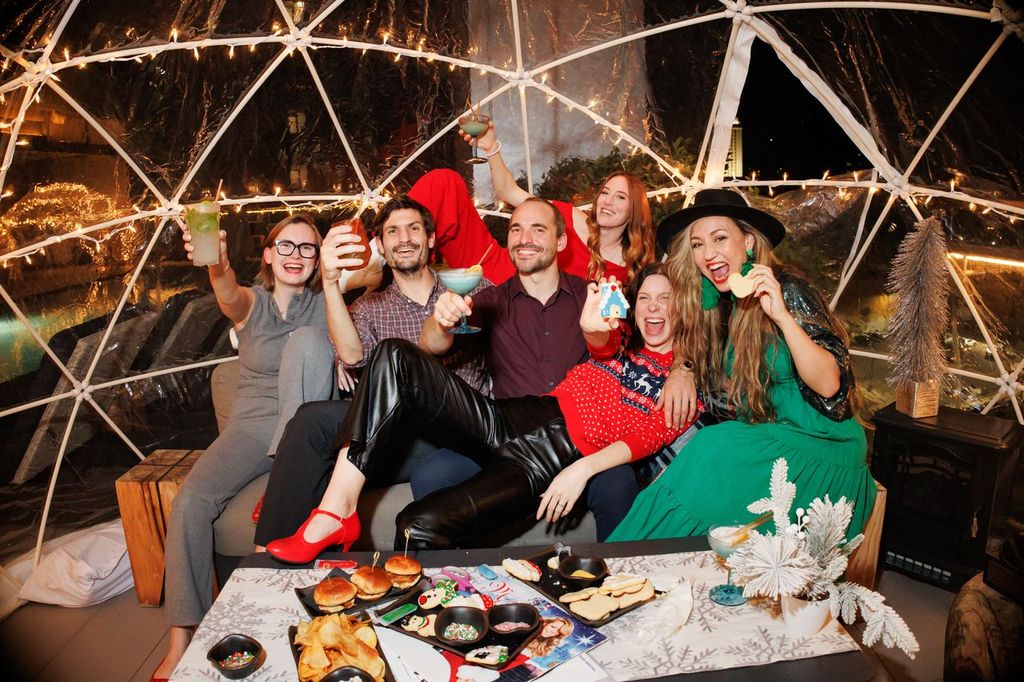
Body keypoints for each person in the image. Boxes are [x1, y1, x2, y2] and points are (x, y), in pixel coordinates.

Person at [265, 262, 700, 562]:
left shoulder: (686, 380)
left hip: (553, 461)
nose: (654, 307)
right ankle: (336, 509)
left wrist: (582, 469)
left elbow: (644, 440)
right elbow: (598, 339)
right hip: (519, 415)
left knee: (416, 527)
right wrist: (591, 324)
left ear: (684, 308)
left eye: (666, 299)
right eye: (645, 298)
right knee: (393, 354)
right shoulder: (618, 346)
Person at [608, 189, 876, 544]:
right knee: (707, 453)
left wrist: (780, 314)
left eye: (720, 238)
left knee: (714, 447)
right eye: (699, 244)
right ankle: (630, 562)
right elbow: (690, 349)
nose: (709, 253)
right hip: (772, 437)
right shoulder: (717, 302)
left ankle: (631, 558)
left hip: (824, 445)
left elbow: (829, 385)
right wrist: (682, 369)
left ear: (748, 241)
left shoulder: (788, 288)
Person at [154, 214, 335, 680]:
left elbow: (370, 272)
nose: (296, 256)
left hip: (311, 417)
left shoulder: (329, 299)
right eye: (286, 246)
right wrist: (216, 267)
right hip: (253, 423)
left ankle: (285, 480)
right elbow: (228, 291)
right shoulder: (252, 304)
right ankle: (182, 637)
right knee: (190, 501)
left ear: (318, 260)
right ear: (269, 255)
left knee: (311, 340)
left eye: (307, 248)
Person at [420, 197, 664, 540]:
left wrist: (682, 367)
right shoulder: (488, 301)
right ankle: (463, 584)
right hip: (508, 441)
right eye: (516, 229)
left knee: (619, 481)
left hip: (579, 440)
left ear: (560, 241)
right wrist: (440, 320)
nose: (524, 238)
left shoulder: (593, 294)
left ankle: (619, 583)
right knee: (432, 473)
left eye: (538, 229)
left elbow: (638, 345)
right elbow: (432, 345)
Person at [253, 196, 489, 549]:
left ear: (431, 238)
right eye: (392, 231)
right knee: (309, 419)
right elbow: (351, 354)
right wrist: (330, 283)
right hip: (403, 435)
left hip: (462, 428)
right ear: (380, 244)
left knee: (394, 356)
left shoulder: (473, 291)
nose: (404, 238)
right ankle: (265, 568)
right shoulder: (367, 308)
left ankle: (329, 518)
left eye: (413, 228)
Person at [405, 123, 655, 286]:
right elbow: (509, 192)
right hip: (491, 269)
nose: (607, 202)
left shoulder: (632, 270)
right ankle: (378, 251)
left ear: (635, 212)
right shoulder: (571, 216)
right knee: (444, 182)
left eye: (620, 197)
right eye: (605, 193)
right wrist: (491, 148)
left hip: (533, 315)